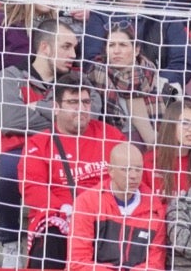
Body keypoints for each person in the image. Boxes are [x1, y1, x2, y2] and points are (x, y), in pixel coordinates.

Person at [19, 76, 129, 269]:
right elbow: (32, 189)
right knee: (52, 234)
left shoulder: (111, 136)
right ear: (56, 106)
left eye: (86, 102)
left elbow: (131, 175)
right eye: (72, 102)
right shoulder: (39, 143)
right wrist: (69, 211)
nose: (81, 108)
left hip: (108, 217)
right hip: (61, 217)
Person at [67, 141, 164, 271]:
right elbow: (77, 261)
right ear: (110, 171)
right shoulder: (87, 203)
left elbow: (155, 264)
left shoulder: (155, 209)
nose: (134, 176)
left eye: (138, 169)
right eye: (126, 169)